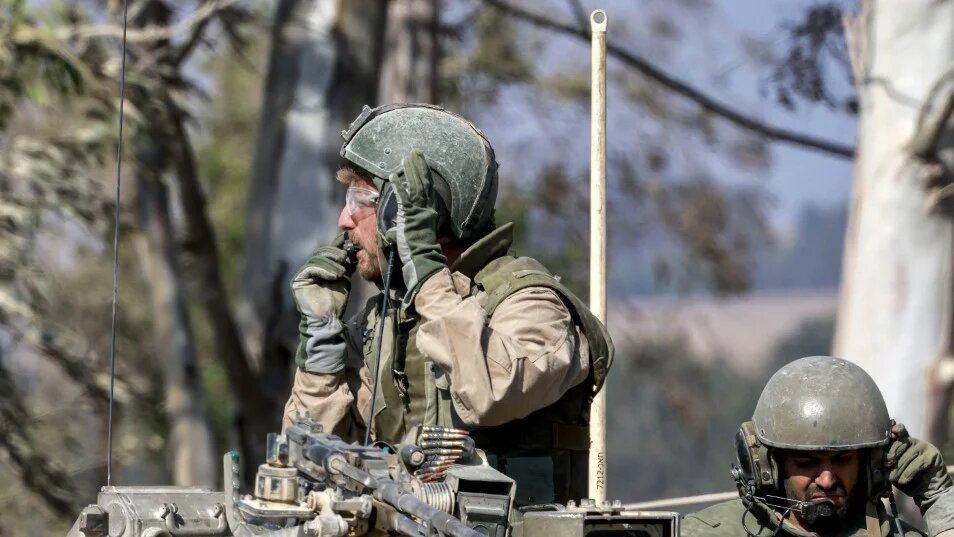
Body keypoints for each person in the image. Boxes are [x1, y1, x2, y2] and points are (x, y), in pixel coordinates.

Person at [281, 103, 613, 505]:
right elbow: (311, 465)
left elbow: (489, 393)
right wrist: (321, 344)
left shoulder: (533, 305)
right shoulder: (386, 323)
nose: (343, 220)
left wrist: (425, 269)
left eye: (359, 201)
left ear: (403, 213)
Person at [682, 355, 954, 537]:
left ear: (872, 463)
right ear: (768, 466)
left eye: (843, 459)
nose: (826, 479)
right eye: (807, 462)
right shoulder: (711, 532)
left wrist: (937, 495)